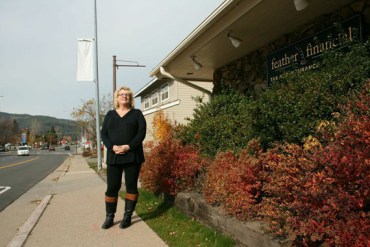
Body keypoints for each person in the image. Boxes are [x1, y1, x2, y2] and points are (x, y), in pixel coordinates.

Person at [100, 86, 147, 229]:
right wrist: (111, 147)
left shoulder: (137, 114)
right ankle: (109, 217)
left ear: (130, 98)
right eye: (121, 94)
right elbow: (104, 134)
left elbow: (141, 133)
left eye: (127, 95)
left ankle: (127, 217)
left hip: (133, 156)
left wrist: (129, 147)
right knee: (112, 187)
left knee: (131, 187)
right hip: (114, 156)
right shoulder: (109, 115)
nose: (124, 96)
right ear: (117, 98)